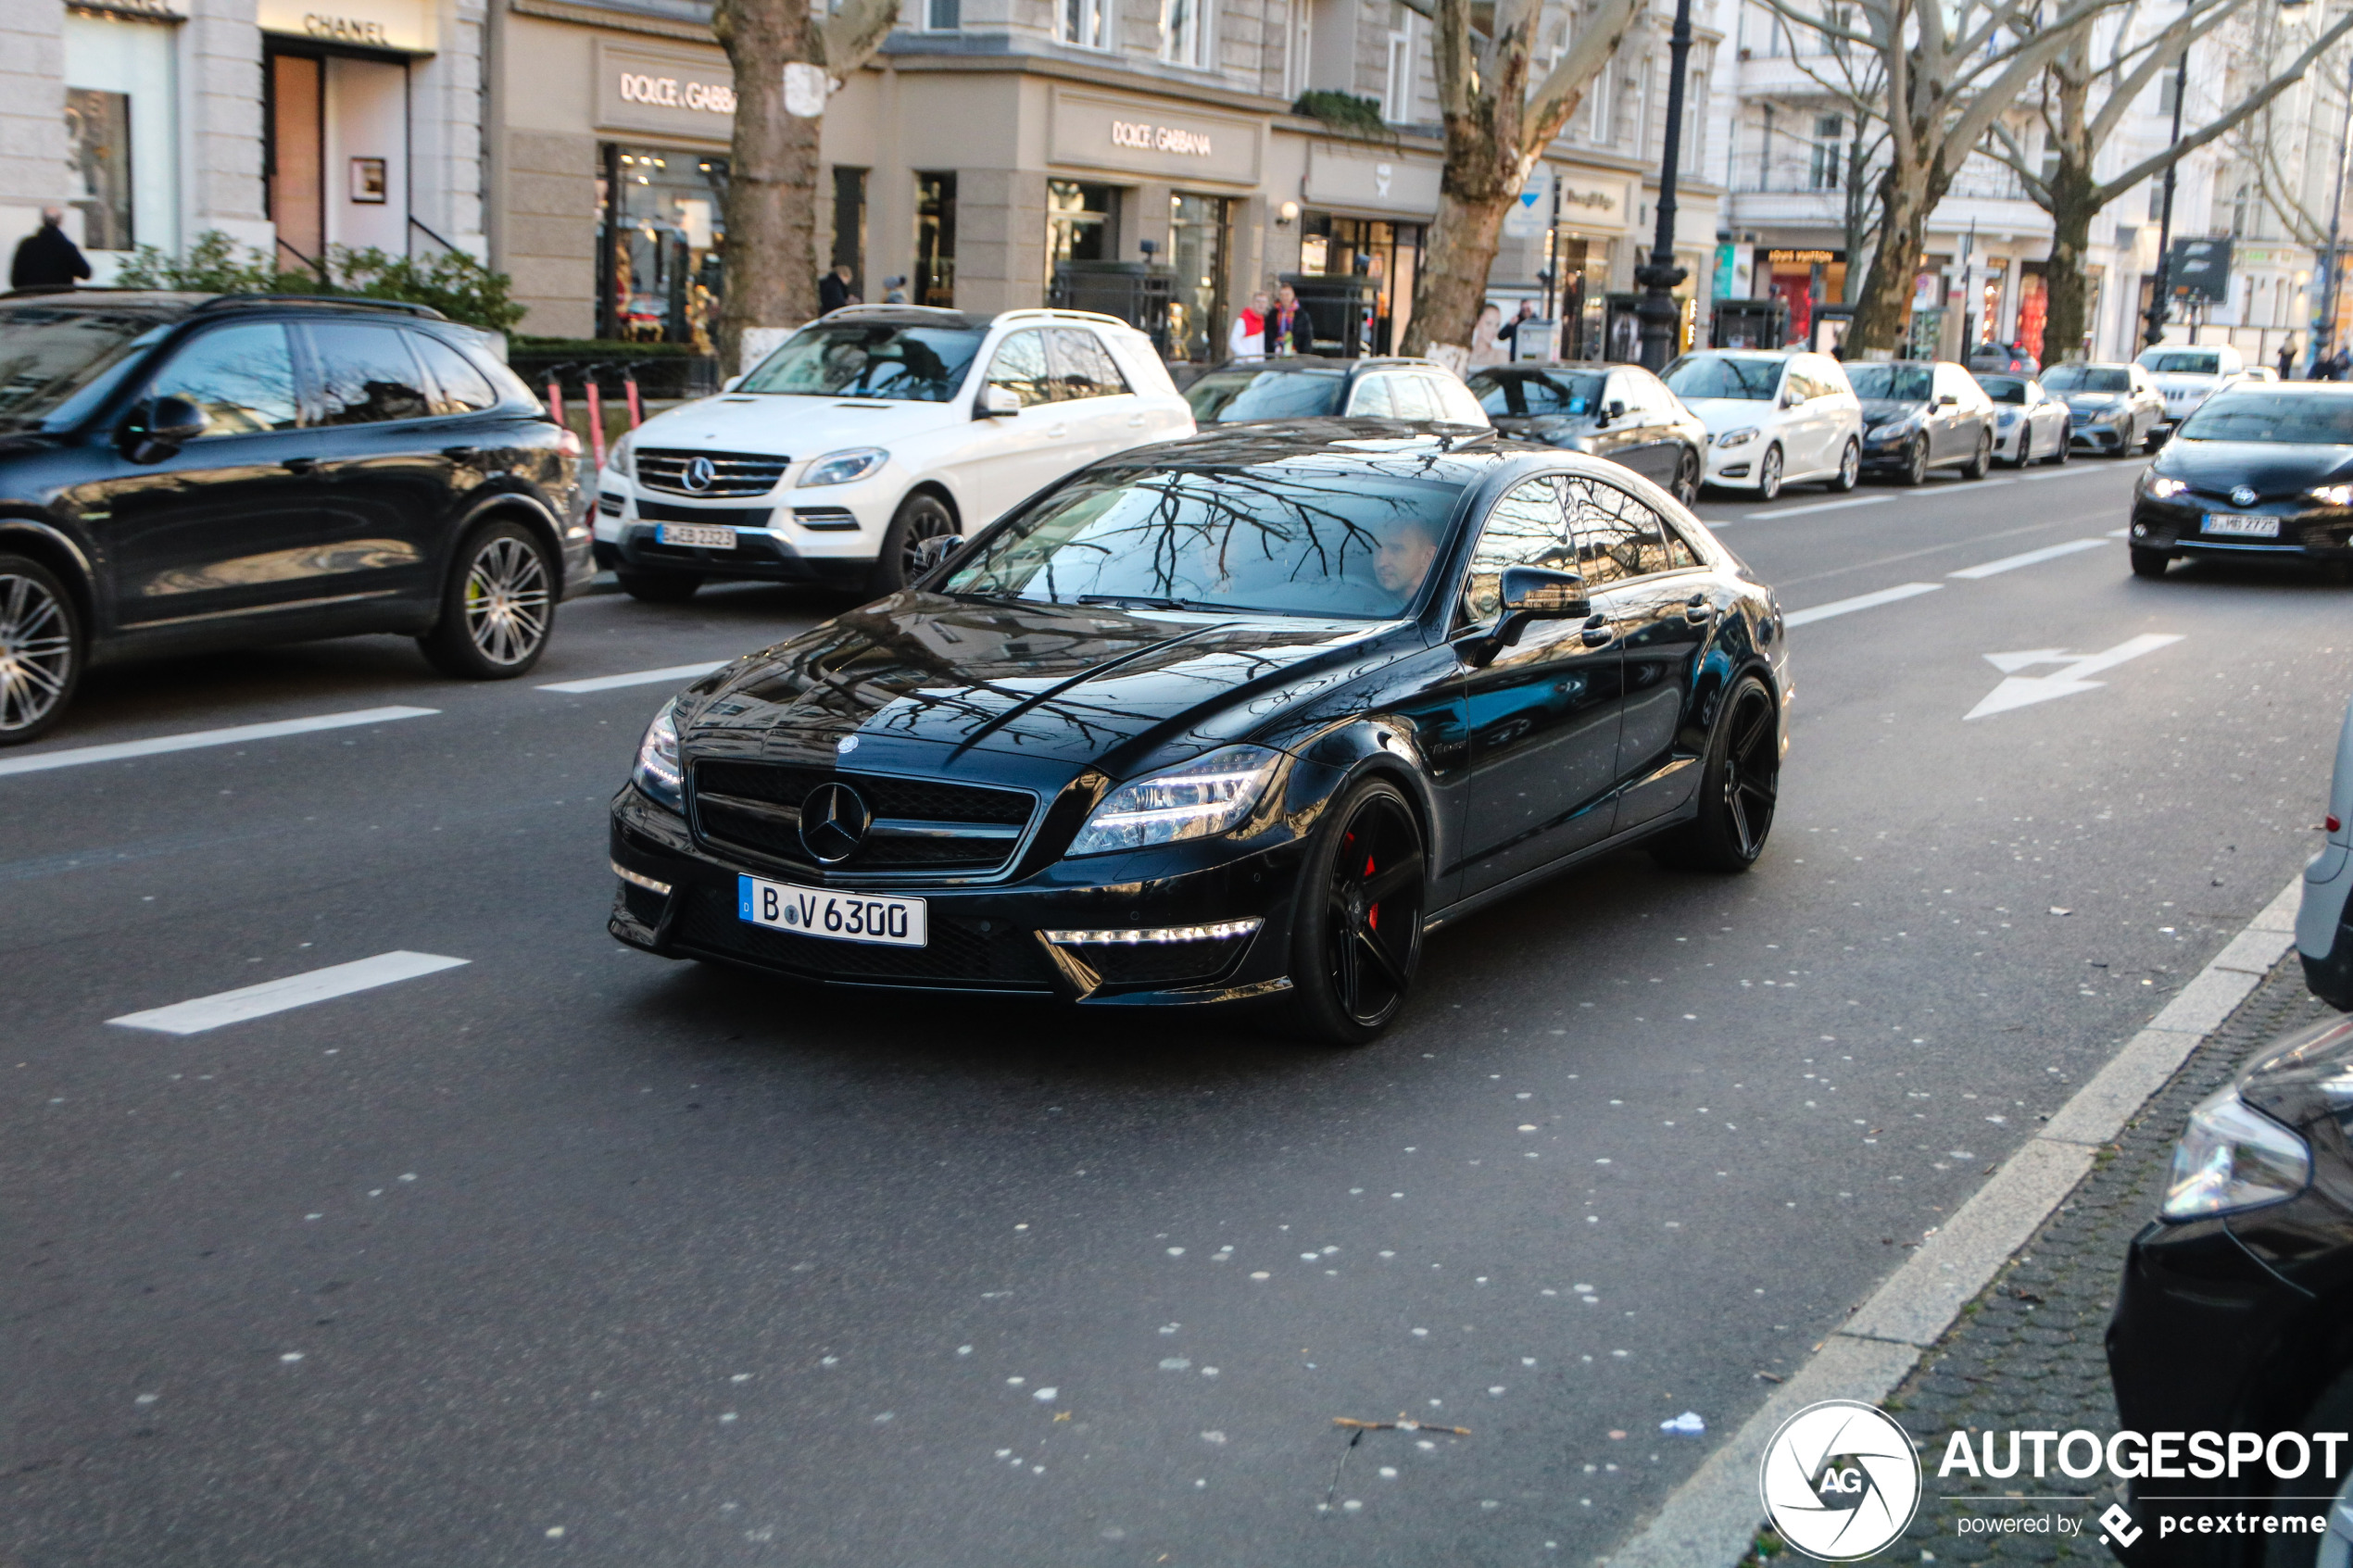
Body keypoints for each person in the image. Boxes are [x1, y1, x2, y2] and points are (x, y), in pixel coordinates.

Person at [10, 207, 90, 290]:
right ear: (60, 221)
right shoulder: (67, 247)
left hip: (30, 299)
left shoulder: (26, 245)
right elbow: (86, 273)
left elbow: (15, 280)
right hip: (59, 300)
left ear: (43, 220)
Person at [1371, 513, 1441, 599]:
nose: (1381, 563)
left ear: (1427, 556)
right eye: (1377, 548)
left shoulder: (1449, 604)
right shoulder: (1361, 599)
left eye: (1395, 549)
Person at [1265, 284, 1315, 357]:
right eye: (1282, 295)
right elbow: (1268, 335)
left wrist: (1304, 355)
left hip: (1295, 352)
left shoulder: (1301, 315)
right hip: (1276, 352)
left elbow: (1307, 336)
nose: (1285, 298)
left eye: (1287, 295)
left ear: (1293, 295)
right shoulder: (1273, 314)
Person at [1227, 291, 1269, 361]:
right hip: (1245, 366)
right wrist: (1247, 357)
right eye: (1258, 302)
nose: (1261, 305)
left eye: (1263, 302)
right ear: (1252, 303)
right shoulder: (1243, 319)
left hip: (1257, 365)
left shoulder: (1262, 321)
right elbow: (1233, 341)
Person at [1467, 303, 1507, 370]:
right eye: (1488, 323)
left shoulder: (1500, 356)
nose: (1493, 330)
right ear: (1477, 322)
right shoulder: (1465, 355)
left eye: (1497, 325)